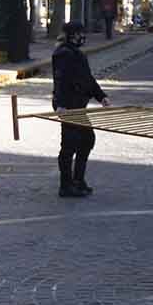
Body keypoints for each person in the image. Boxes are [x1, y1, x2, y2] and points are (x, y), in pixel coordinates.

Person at [53, 21, 110, 197]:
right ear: (71, 35)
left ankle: (78, 180)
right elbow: (60, 80)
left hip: (79, 105)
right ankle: (66, 185)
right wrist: (61, 105)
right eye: (79, 34)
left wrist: (101, 96)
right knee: (69, 145)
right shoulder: (63, 54)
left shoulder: (77, 54)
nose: (82, 37)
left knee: (86, 140)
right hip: (69, 106)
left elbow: (88, 79)